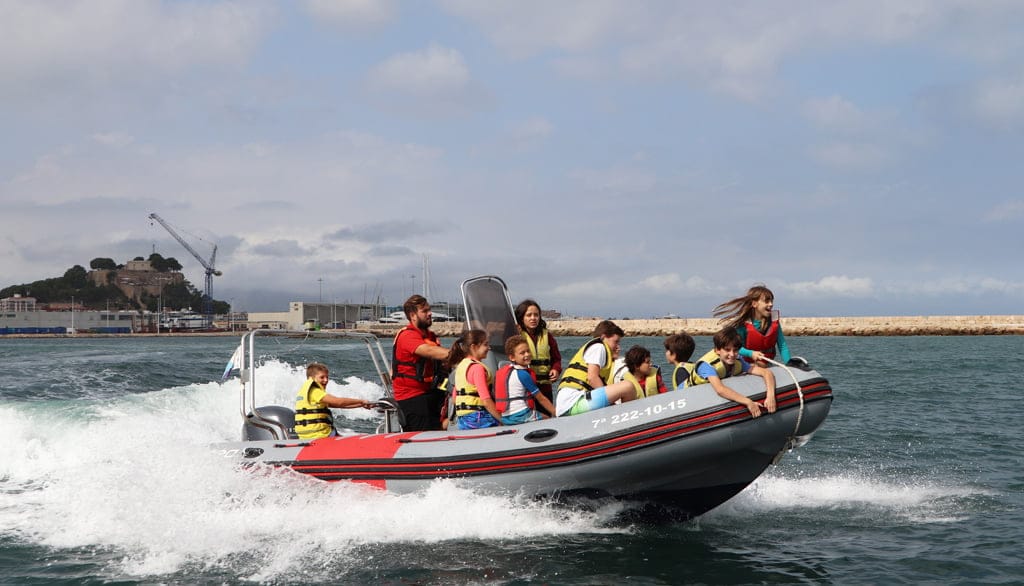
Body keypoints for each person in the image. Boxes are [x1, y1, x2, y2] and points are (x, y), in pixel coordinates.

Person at [391, 294, 451, 431]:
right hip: (411, 396)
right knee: (431, 429)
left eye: (429, 310)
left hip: (431, 390)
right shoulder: (407, 336)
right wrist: (461, 354)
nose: (430, 314)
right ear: (413, 315)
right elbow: (429, 351)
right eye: (424, 311)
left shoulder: (429, 336)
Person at [687, 328, 777, 418]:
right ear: (717, 350)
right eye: (727, 350)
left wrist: (770, 396)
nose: (732, 354)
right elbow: (720, 390)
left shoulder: (738, 361)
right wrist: (748, 402)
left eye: (735, 350)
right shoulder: (707, 365)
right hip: (687, 394)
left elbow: (766, 372)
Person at [555, 320, 637, 416]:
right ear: (603, 337)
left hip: (571, 403)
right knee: (628, 386)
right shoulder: (599, 347)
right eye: (616, 341)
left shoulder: (601, 351)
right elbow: (592, 378)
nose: (618, 346)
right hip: (574, 402)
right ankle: (625, 420)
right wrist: (610, 403)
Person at [713, 284, 791, 367]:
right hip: (745, 364)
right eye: (767, 301)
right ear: (754, 304)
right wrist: (751, 353)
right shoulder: (743, 325)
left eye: (772, 301)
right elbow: (736, 348)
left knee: (762, 365)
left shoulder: (774, 322)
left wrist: (789, 363)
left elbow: (782, 346)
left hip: (766, 364)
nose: (771, 304)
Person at [294, 362, 373, 440]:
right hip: (320, 435)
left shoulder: (305, 393)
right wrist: (361, 400)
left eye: (327, 377)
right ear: (311, 378)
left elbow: (340, 405)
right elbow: (338, 401)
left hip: (306, 436)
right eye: (322, 377)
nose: (326, 380)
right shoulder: (315, 392)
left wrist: (361, 405)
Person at [493, 334, 556, 424]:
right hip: (521, 414)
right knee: (547, 418)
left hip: (505, 416)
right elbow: (541, 398)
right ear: (512, 357)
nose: (527, 354)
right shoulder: (523, 374)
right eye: (522, 353)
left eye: (528, 351)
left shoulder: (505, 371)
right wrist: (556, 413)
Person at [448, 329, 502, 429]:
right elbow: (486, 400)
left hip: (463, 419)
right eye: (485, 344)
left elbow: (454, 399)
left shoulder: (461, 367)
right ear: (473, 347)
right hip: (478, 417)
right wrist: (502, 420)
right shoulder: (477, 368)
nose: (489, 348)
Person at [514, 299, 562, 403]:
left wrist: (556, 369)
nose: (533, 318)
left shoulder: (547, 335)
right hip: (525, 387)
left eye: (536, 315)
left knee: (547, 417)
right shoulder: (516, 335)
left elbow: (556, 358)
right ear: (521, 318)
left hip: (545, 388)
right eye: (529, 315)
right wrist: (515, 335)